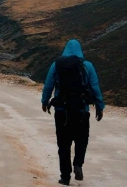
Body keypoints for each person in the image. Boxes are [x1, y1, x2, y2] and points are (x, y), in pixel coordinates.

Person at [41, 39, 105, 185]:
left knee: (63, 144)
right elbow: (95, 88)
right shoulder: (87, 66)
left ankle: (65, 177)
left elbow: (48, 85)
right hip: (82, 111)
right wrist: (100, 107)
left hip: (62, 111)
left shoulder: (56, 65)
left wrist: (44, 102)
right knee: (81, 140)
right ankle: (78, 164)